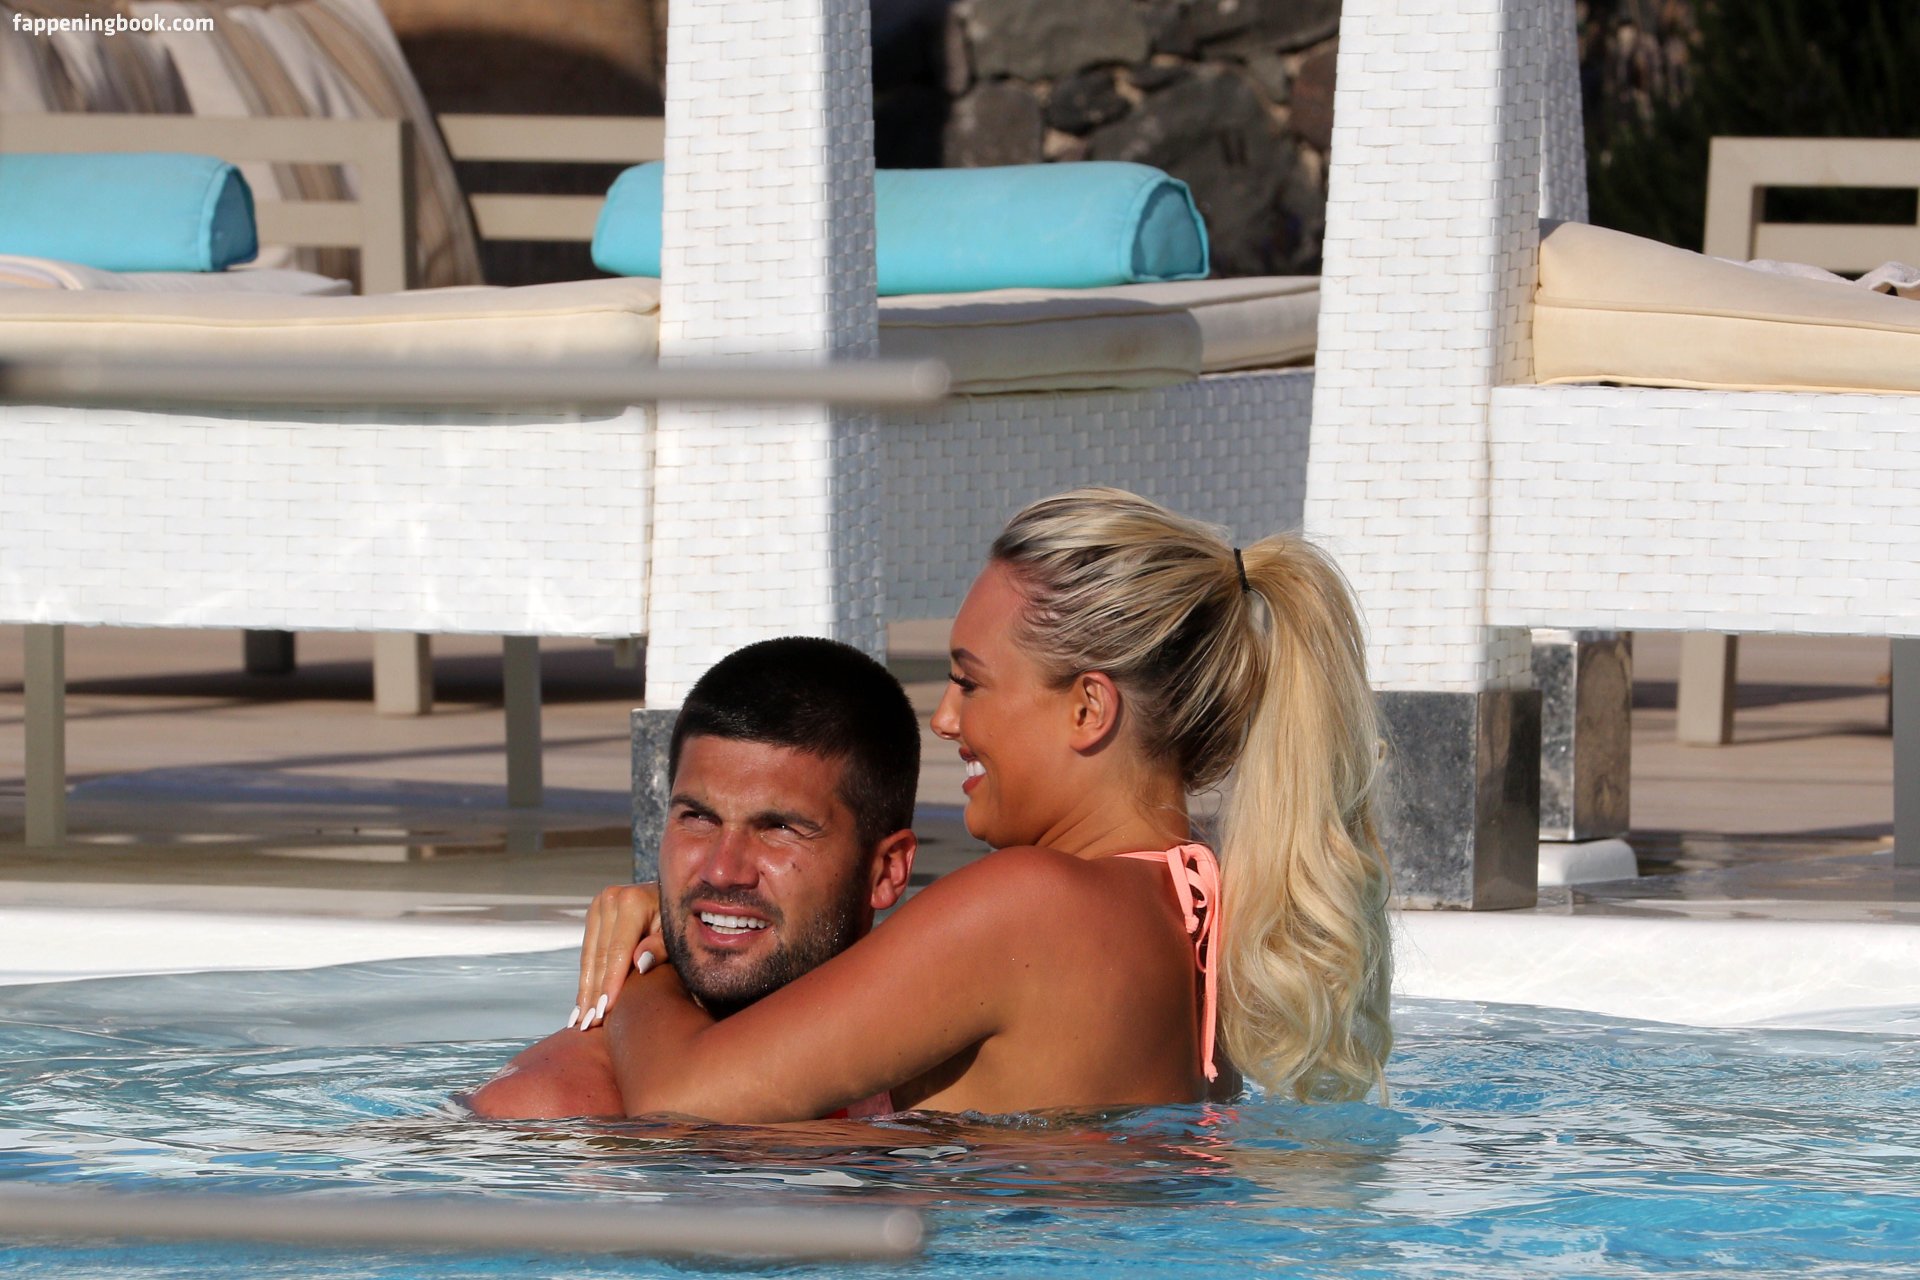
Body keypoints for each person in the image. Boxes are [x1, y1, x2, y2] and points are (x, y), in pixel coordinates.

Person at [576, 486, 1394, 1120]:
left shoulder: (1031, 904)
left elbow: (682, 1106)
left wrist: (649, 965)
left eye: (969, 682)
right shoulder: (1197, 900)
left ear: (1088, 708)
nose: (944, 718)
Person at [464, 635, 920, 1119]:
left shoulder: (940, 1059)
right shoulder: (551, 1112)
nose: (721, 871)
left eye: (778, 828)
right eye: (698, 818)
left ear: (887, 871)